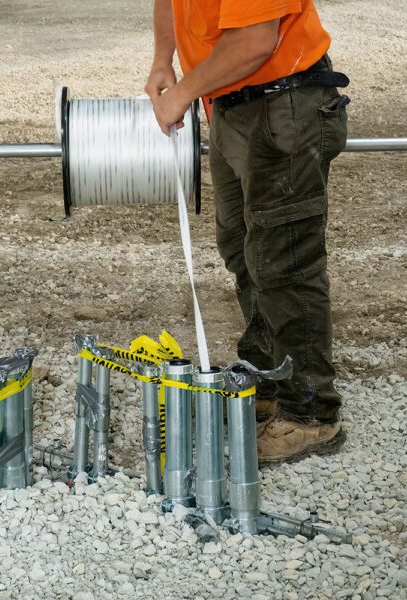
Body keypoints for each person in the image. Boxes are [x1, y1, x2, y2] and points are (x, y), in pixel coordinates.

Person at [145, 0, 350, 464]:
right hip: (231, 104)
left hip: (285, 105)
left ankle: (312, 413)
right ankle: (271, 377)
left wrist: (181, 94)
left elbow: (255, 41)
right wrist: (164, 60)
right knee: (242, 249)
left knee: (285, 260)